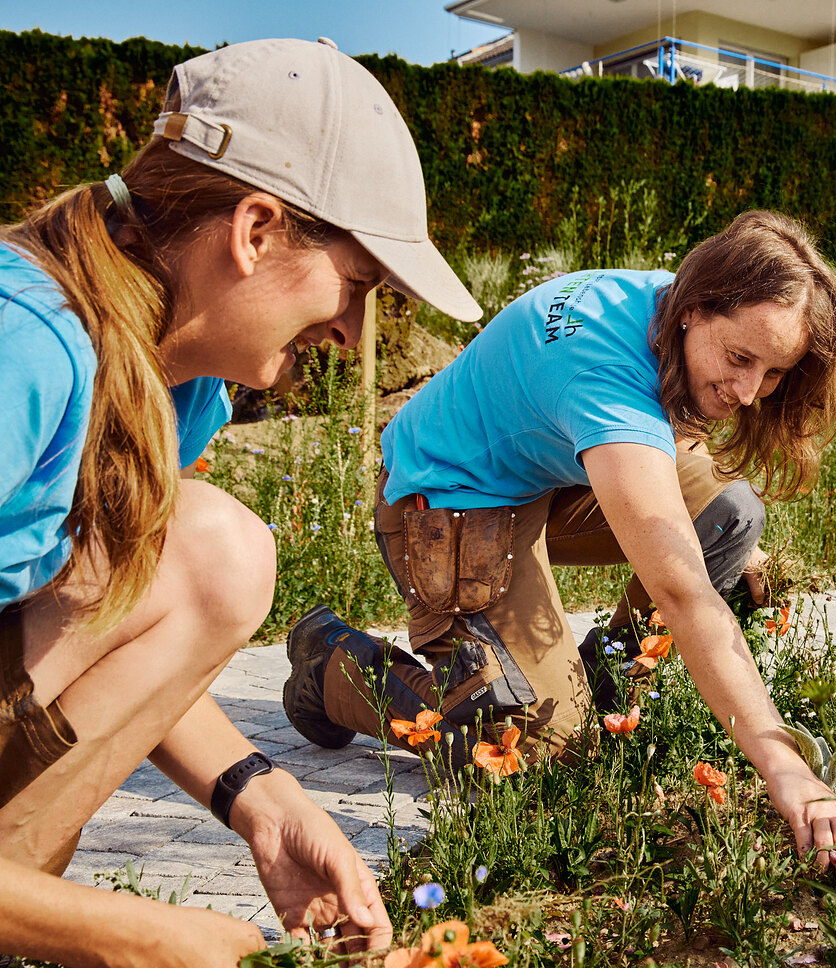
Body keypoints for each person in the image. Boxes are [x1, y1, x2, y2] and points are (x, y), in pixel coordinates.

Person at [0, 38, 483, 965]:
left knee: (215, 554)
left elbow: (104, 639)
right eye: (359, 285)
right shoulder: (26, 349)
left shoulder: (179, 386)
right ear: (255, 230)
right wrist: (132, 938)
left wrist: (265, 802)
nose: (352, 330)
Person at [284, 210, 836, 885]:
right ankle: (332, 667)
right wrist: (781, 759)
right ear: (696, 312)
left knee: (727, 515)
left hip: (544, 476)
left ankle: (601, 682)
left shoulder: (672, 302)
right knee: (535, 752)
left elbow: (666, 453)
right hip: (446, 503)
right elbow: (681, 591)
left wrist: (735, 552)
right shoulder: (604, 378)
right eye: (739, 359)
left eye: (771, 372)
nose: (745, 393)